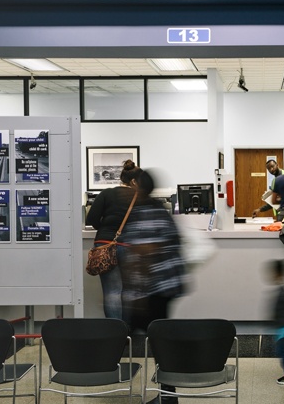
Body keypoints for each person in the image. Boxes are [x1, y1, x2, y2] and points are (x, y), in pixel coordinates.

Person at [118, 169, 188, 404]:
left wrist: (138, 295)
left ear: (137, 186)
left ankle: (167, 394)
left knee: (156, 339)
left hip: (154, 289)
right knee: (158, 339)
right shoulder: (159, 210)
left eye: (130, 187)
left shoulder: (145, 212)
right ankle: (168, 393)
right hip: (165, 286)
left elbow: (146, 252)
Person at [85, 159, 141, 319]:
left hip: (105, 244)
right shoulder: (140, 197)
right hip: (131, 247)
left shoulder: (106, 193)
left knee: (112, 292)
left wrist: (105, 229)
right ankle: (130, 334)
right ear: (134, 181)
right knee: (131, 292)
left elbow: (92, 218)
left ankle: (116, 333)